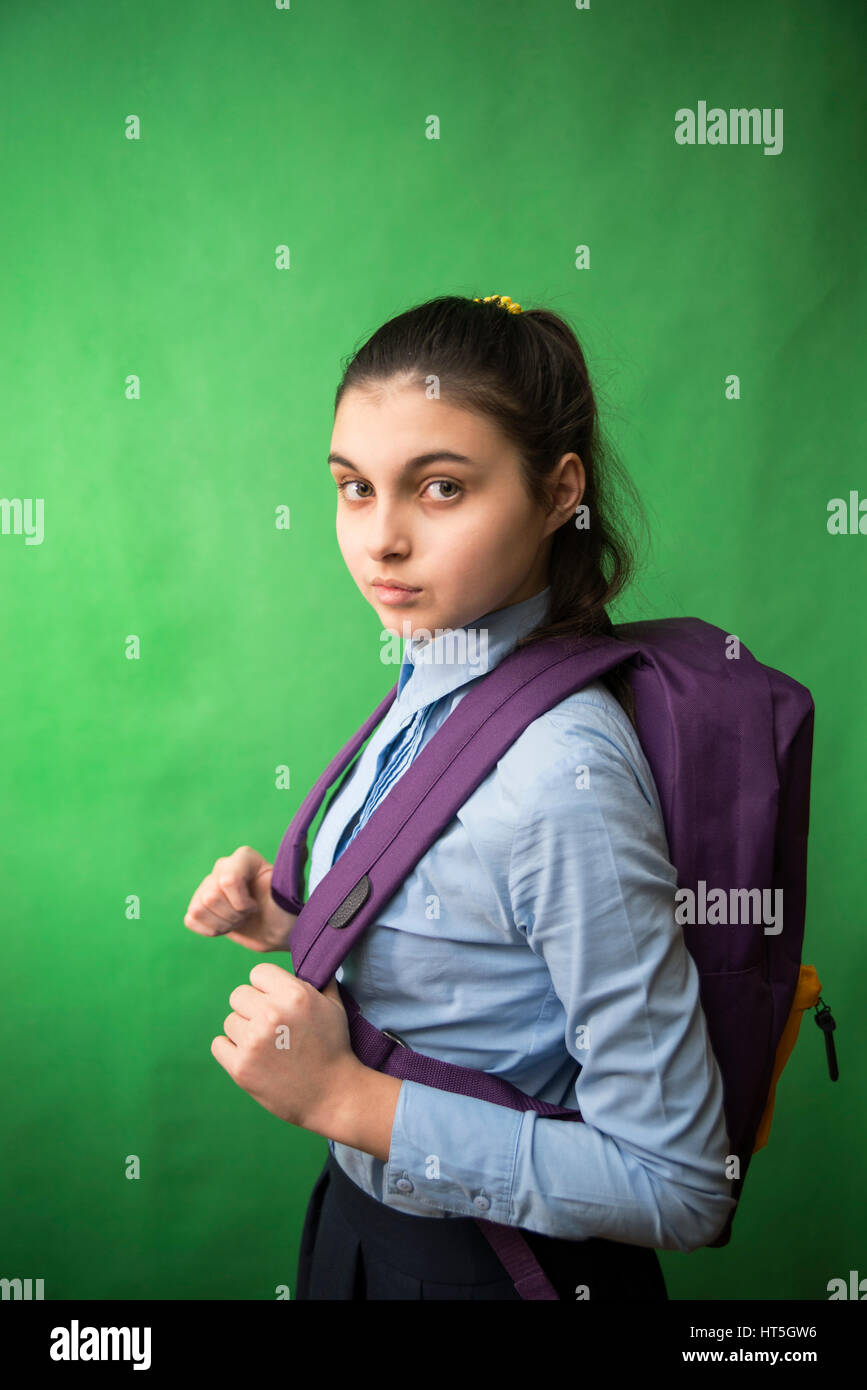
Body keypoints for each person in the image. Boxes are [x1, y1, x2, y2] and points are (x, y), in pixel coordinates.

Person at [184, 293, 736, 1300]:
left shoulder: (564, 774)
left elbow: (683, 1184)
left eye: (439, 488)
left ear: (559, 491)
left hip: (486, 1271)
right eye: (355, 488)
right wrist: (293, 922)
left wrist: (349, 1099)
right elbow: (480, 948)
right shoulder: (439, 669)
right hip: (358, 1227)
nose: (380, 540)